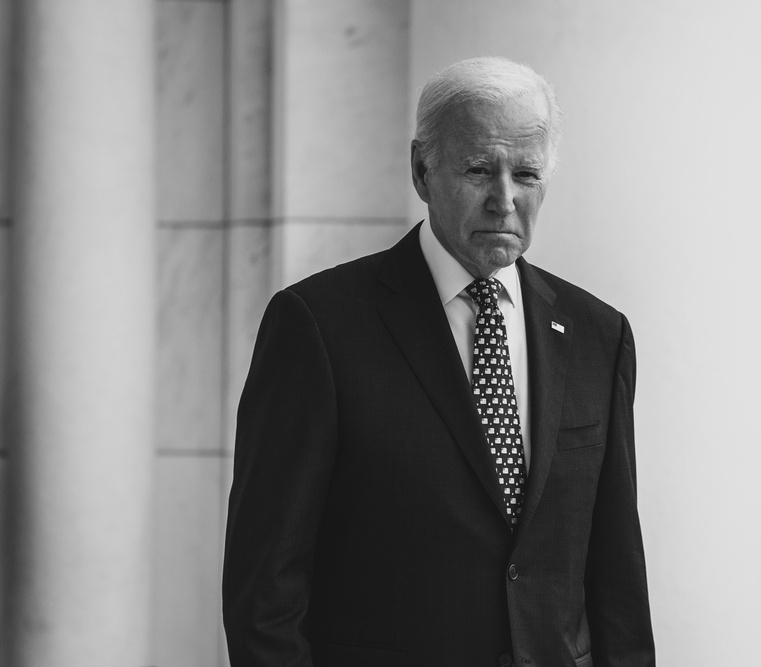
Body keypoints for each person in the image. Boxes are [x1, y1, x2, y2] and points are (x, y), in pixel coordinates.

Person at [223, 56, 655, 667]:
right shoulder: (318, 325)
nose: (504, 200)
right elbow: (265, 585)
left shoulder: (597, 333)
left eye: (527, 175)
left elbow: (617, 574)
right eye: (479, 169)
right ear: (422, 170)